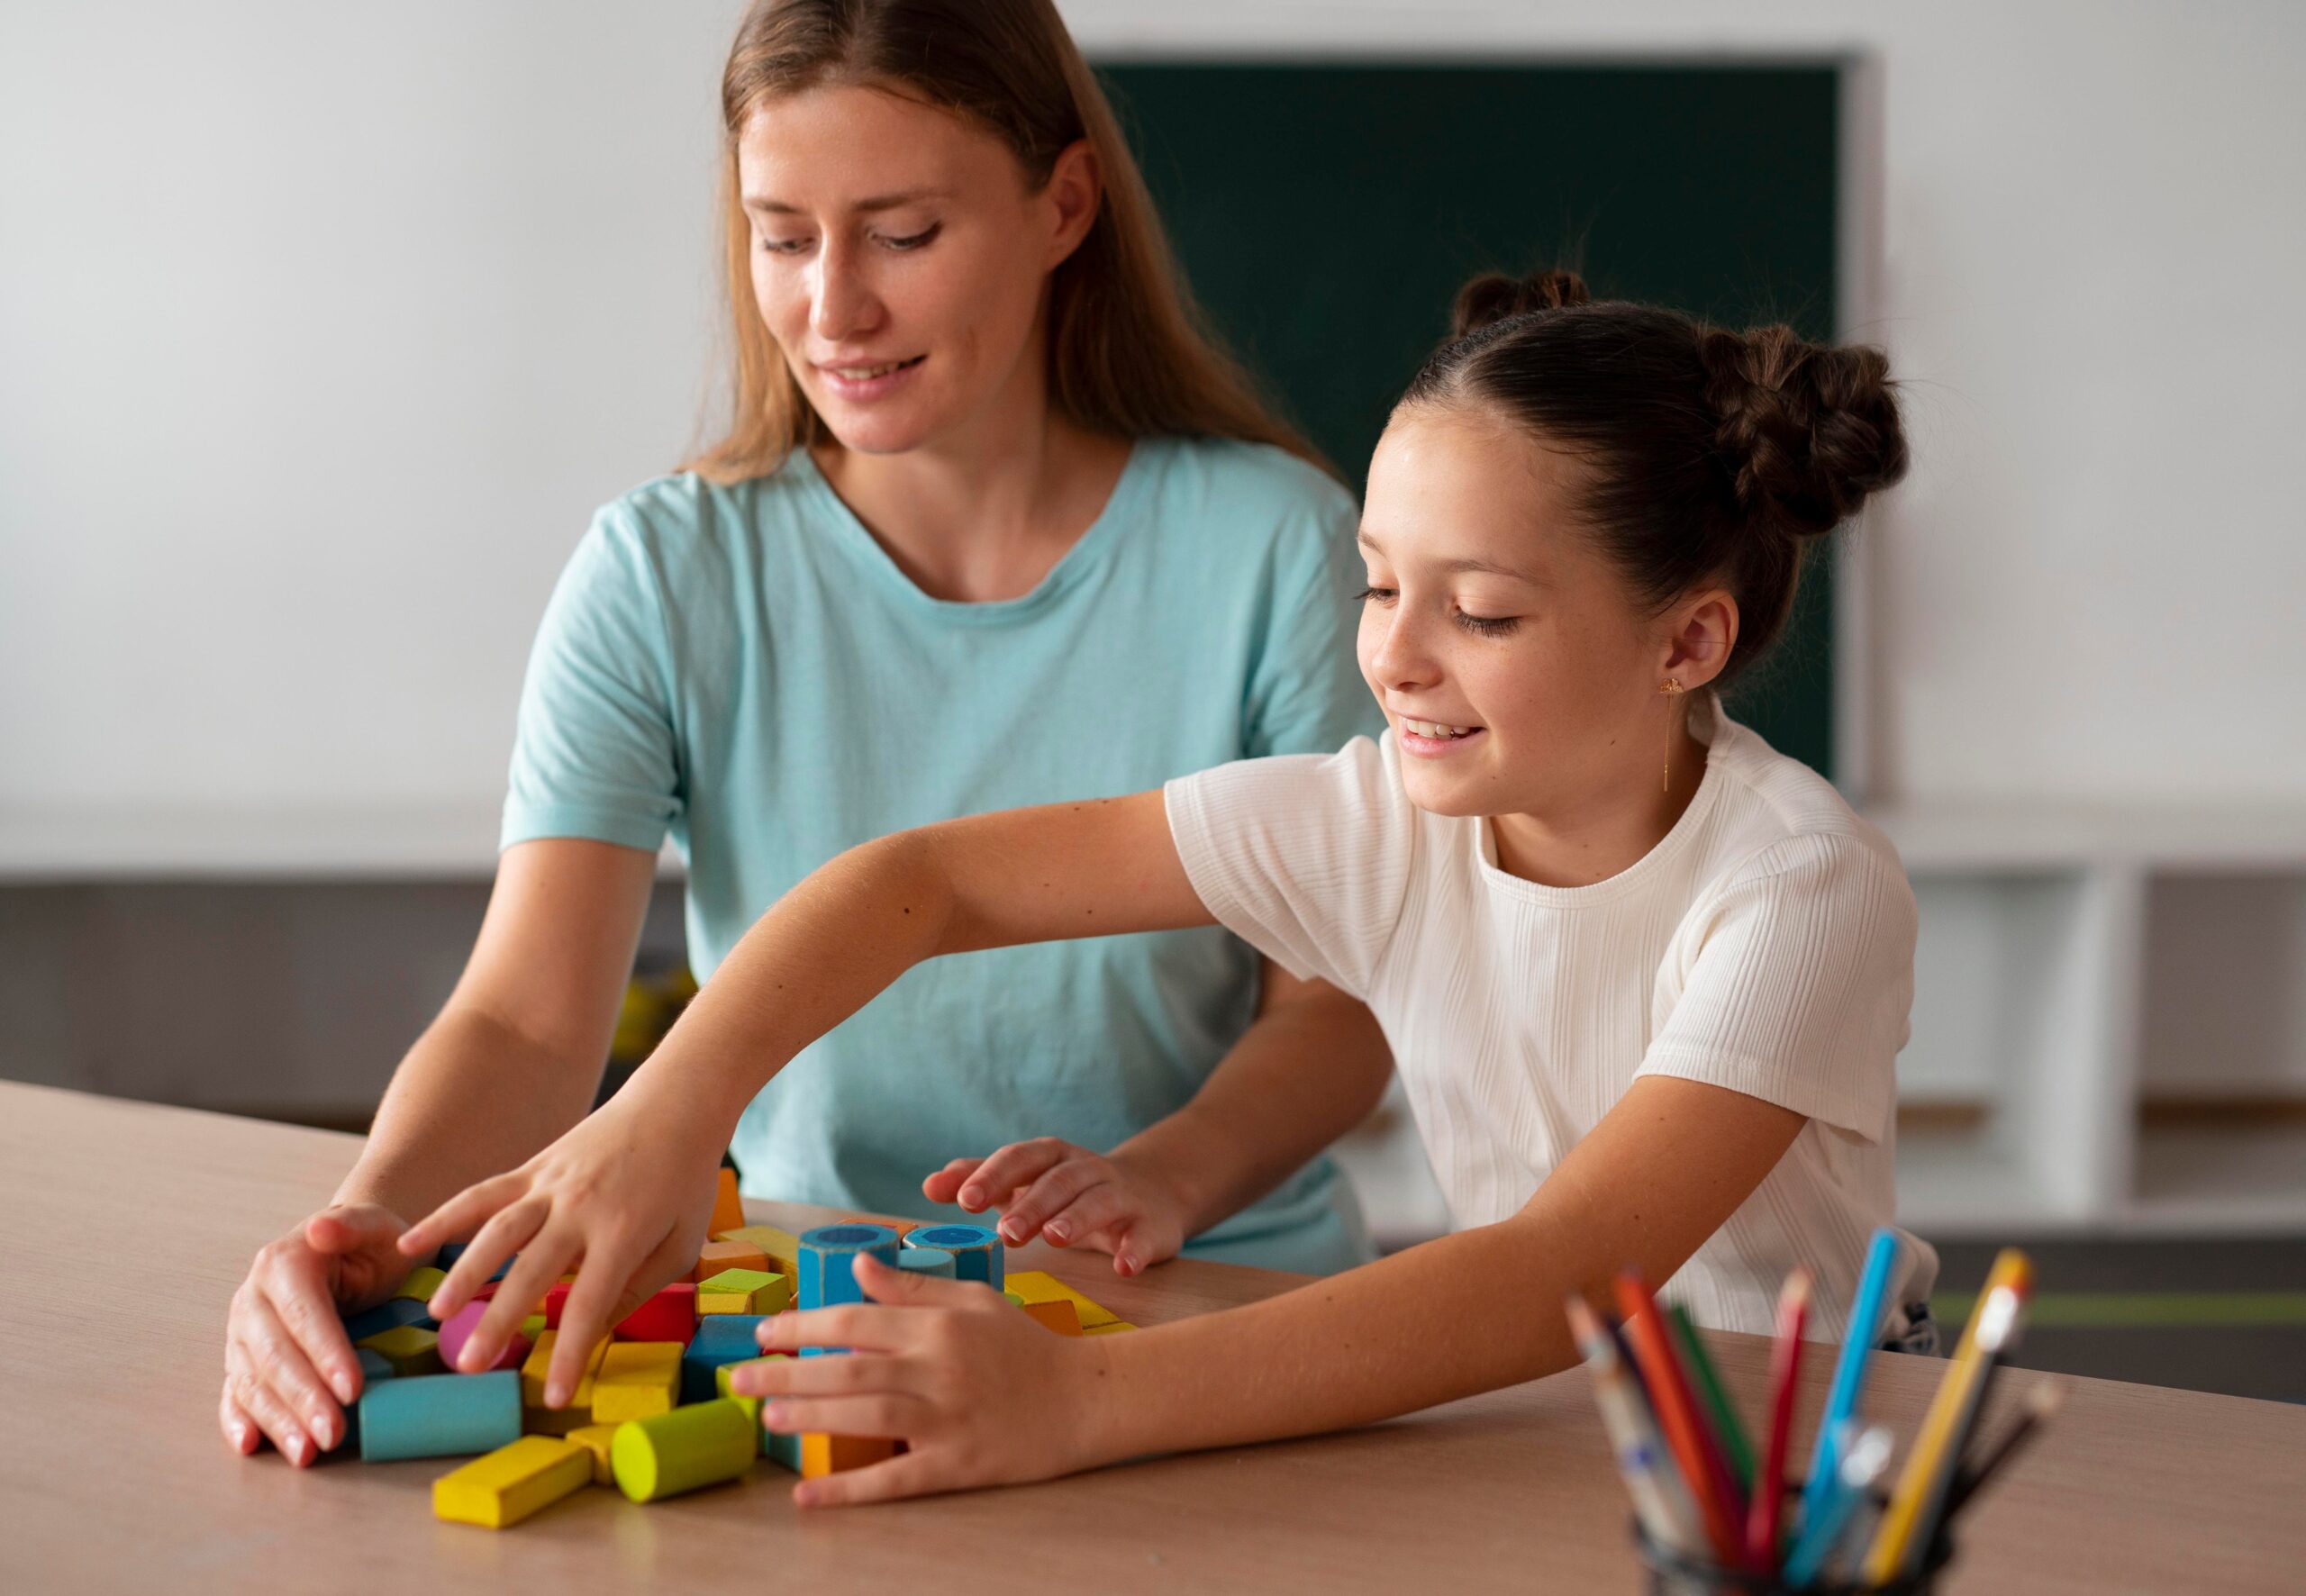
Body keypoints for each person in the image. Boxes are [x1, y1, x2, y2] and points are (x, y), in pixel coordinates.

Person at [406, 268, 1944, 1508]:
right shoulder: (1381, 819)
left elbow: (1556, 1274)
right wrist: (664, 1115)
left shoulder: (1804, 887)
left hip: (1800, 1455)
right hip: (1556, 1417)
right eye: (1380, 582)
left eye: (1478, 613)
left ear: (1688, 643)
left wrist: (1075, 1397)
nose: (1393, 658)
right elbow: (924, 883)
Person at [217, 0, 1392, 1468]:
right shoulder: (662, 572)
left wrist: (1152, 1182)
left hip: (1213, 1310)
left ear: (1063, 206)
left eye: (901, 234)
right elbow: (523, 1021)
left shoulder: (1273, 545)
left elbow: (1339, 1009)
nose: (834, 308)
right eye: (784, 236)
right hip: (817, 1325)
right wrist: (366, 1225)